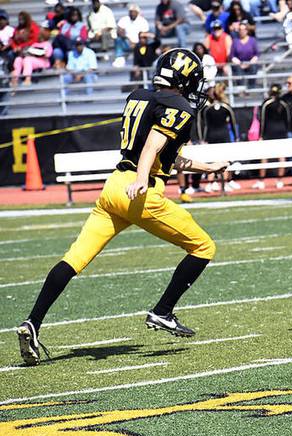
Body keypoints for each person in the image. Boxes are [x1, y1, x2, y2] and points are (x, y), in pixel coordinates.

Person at [16, 49, 230, 366]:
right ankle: (163, 311)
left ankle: (32, 322)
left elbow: (167, 155)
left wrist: (209, 166)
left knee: (73, 259)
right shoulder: (179, 106)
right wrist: (143, 178)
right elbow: (154, 144)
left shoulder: (140, 96)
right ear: (185, 80)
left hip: (114, 186)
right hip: (141, 193)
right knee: (203, 247)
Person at [230, 21, 258, 88]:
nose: (242, 31)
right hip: (239, 63)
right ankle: (241, 89)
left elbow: (256, 54)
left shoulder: (252, 40)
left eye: (244, 29)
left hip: (251, 62)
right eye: (240, 30)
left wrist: (249, 63)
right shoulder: (235, 41)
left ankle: (251, 87)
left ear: (247, 30)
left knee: (253, 68)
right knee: (237, 70)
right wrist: (240, 64)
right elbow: (232, 55)